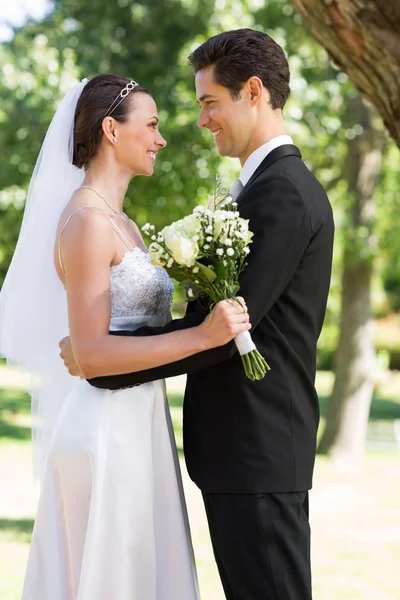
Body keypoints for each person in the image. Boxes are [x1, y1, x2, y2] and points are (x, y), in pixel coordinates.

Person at [62, 30, 335, 599]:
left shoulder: (281, 193)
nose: (202, 120)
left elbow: (226, 332)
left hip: (257, 450)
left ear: (252, 92)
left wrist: (100, 364)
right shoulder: (258, 188)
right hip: (237, 454)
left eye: (210, 102)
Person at [0, 74, 251, 600]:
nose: (161, 139)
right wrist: (204, 337)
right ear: (112, 130)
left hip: (141, 424)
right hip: (104, 432)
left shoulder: (125, 225)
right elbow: (91, 354)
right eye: (152, 125)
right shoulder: (88, 222)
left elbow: (129, 333)